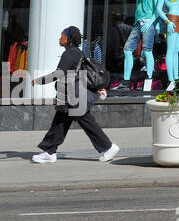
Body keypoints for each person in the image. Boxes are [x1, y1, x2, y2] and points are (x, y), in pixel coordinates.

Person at [31, 26, 119, 163]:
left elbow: (58, 73)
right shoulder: (77, 53)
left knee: (87, 123)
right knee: (60, 123)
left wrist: (39, 81)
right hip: (70, 95)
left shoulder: (70, 53)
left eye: (62, 35)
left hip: (73, 96)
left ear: (69, 38)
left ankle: (108, 147)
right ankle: (49, 151)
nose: (60, 38)